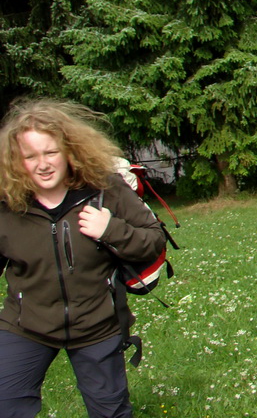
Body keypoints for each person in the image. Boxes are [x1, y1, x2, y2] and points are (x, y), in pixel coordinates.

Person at [0, 99, 166, 418]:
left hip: (96, 324)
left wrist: (111, 229)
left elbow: (153, 240)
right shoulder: (7, 205)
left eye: (50, 152)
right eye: (30, 156)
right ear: (15, 161)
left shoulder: (104, 189)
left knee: (111, 413)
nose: (43, 164)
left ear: (69, 151)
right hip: (25, 324)